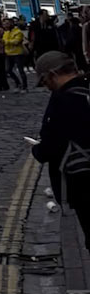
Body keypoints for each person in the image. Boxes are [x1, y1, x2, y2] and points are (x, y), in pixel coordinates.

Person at [34, 50, 90, 248]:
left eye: (44, 81)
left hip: (83, 180)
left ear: (53, 74)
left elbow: (51, 146)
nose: (46, 86)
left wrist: (37, 150)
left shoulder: (63, 100)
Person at [3, 18, 30, 91]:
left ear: (11, 24)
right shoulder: (6, 32)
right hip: (8, 54)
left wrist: (6, 42)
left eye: (7, 24)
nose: (5, 25)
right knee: (8, 70)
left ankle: (25, 86)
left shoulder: (18, 32)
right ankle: (18, 83)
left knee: (21, 70)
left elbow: (16, 41)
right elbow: (4, 41)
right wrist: (7, 42)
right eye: (5, 24)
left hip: (17, 53)